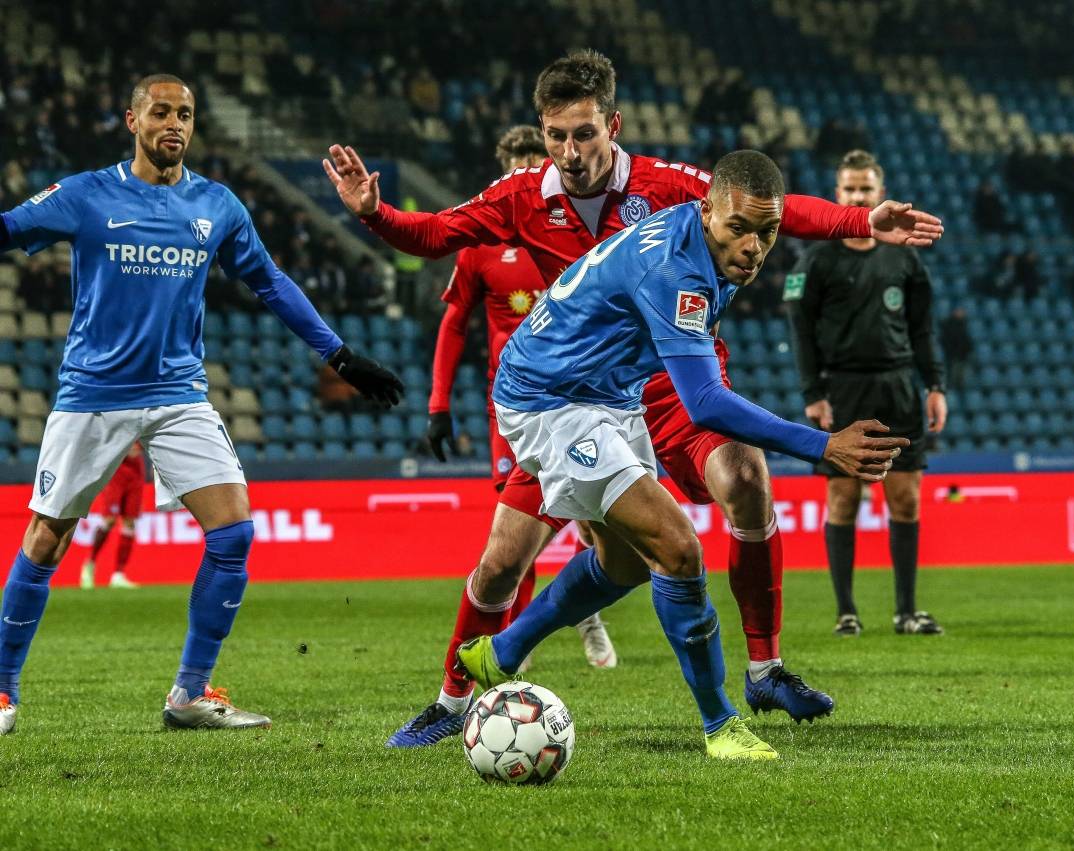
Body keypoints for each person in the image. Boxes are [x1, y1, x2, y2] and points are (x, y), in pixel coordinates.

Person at [324, 49, 943, 748]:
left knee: (673, 526)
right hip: (557, 396)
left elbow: (766, 203)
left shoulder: (679, 193)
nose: (569, 151)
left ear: (611, 126)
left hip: (632, 387)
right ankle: (477, 701)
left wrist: (856, 224)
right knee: (563, 556)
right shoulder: (531, 200)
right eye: (555, 136)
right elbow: (432, 234)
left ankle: (749, 666)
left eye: (583, 133)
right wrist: (375, 214)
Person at [455, 150, 910, 759]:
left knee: (627, 563)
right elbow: (705, 404)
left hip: (606, 391)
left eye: (767, 233)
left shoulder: (706, 244)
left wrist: (854, 222)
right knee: (678, 547)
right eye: (739, 229)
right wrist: (823, 445)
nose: (753, 246)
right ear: (707, 210)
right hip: (548, 399)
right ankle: (720, 723)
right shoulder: (675, 269)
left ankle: (500, 652)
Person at [0, 73, 403, 736]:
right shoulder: (86, 195)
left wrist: (340, 356)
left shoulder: (216, 205)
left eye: (184, 113)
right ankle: (3, 690)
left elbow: (270, 283)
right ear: (132, 120)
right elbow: (10, 229)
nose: (174, 124)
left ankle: (189, 693)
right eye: (160, 111)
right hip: (93, 394)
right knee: (48, 537)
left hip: (178, 393)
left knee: (235, 531)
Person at [425, 124, 618, 685]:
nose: (530, 174)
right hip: (510, 409)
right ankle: (512, 639)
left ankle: (586, 614)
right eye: (519, 165)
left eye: (538, 162)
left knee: (593, 523)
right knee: (517, 532)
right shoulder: (481, 249)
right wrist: (439, 403)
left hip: (582, 398)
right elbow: (455, 322)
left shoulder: (577, 235)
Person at [786, 150, 948, 637]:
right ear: (838, 196)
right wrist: (813, 392)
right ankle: (847, 612)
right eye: (850, 189)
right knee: (842, 498)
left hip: (899, 384)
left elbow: (922, 329)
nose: (858, 196)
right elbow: (800, 331)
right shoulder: (815, 258)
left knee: (906, 498)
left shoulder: (905, 255)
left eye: (866, 189)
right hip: (842, 388)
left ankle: (905, 611)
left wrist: (935, 384)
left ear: (880, 193)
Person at [79, 442, 145, 590]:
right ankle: (90, 563)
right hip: (115, 471)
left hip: (135, 472)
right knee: (109, 520)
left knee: (130, 522)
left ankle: (118, 575)